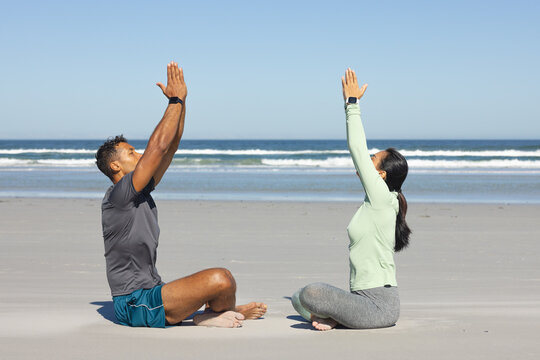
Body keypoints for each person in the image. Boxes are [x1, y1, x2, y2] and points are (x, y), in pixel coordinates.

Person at [95, 62, 266, 328]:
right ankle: (209, 315)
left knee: (226, 279)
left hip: (153, 291)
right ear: (115, 166)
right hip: (133, 303)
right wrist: (173, 100)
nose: (138, 155)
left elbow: (169, 147)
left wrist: (182, 102)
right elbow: (157, 147)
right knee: (220, 279)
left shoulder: (139, 192)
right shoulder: (119, 196)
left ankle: (216, 311)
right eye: (131, 153)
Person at [291, 68, 411, 331]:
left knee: (311, 294)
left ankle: (334, 318)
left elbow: (356, 148)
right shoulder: (377, 203)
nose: (366, 160)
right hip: (361, 301)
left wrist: (351, 105)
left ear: (380, 174)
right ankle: (335, 317)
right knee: (298, 297)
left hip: (379, 306)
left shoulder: (382, 197)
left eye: (372, 160)